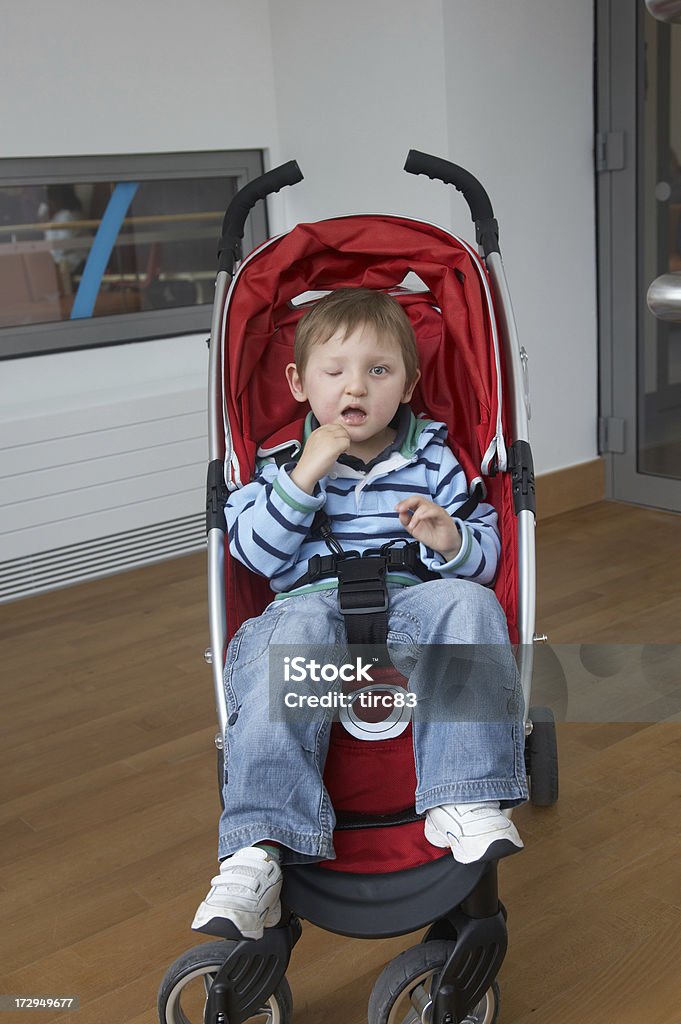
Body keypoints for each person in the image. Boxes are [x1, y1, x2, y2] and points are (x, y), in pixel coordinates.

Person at [192, 288, 527, 941]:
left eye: (378, 370)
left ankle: (461, 795)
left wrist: (449, 538)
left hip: (412, 597)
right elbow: (254, 555)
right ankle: (258, 845)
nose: (357, 385)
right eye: (335, 369)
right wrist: (302, 478)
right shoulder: (280, 462)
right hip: (308, 604)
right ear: (298, 381)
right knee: (282, 643)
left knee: (468, 601)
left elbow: (485, 554)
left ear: (407, 386)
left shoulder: (433, 455)